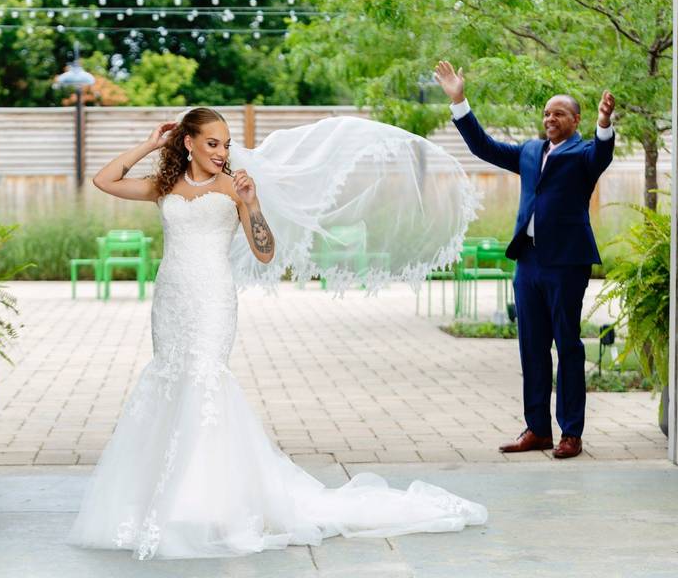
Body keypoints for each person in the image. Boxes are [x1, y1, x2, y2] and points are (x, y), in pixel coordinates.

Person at [66, 107, 487, 560]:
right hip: (170, 299)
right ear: (188, 143)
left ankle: (210, 505)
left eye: (225, 144)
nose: (222, 152)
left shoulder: (234, 186)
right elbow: (105, 180)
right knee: (169, 379)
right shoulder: (165, 185)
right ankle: (163, 501)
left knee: (206, 383)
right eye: (212, 143)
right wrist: (152, 144)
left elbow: (264, 253)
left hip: (212, 299)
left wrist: (252, 204)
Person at [433, 60, 616, 459]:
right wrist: (459, 101)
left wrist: (605, 123)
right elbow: (484, 147)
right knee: (531, 347)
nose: (551, 118)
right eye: (547, 113)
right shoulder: (530, 152)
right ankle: (537, 430)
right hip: (528, 262)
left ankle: (571, 434)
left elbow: (603, 153)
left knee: (567, 345)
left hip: (566, 263)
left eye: (560, 113)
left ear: (576, 119)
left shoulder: (585, 154)